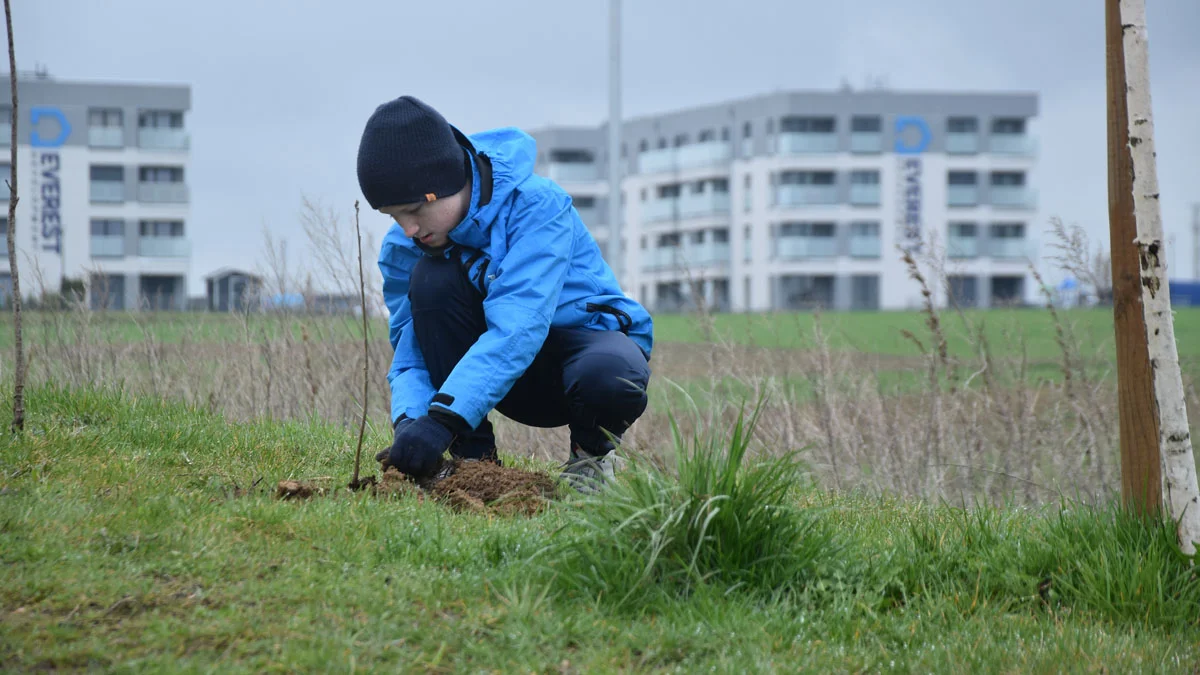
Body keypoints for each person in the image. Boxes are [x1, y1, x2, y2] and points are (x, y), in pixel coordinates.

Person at [356, 96, 653, 492]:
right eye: (393, 216)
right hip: (502, 379)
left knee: (611, 376)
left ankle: (590, 462)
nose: (407, 228)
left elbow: (519, 326)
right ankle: (474, 465)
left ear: (447, 182)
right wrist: (412, 422)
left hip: (577, 361)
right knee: (431, 280)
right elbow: (412, 347)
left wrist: (442, 421)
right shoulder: (404, 248)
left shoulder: (538, 208)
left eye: (413, 210)